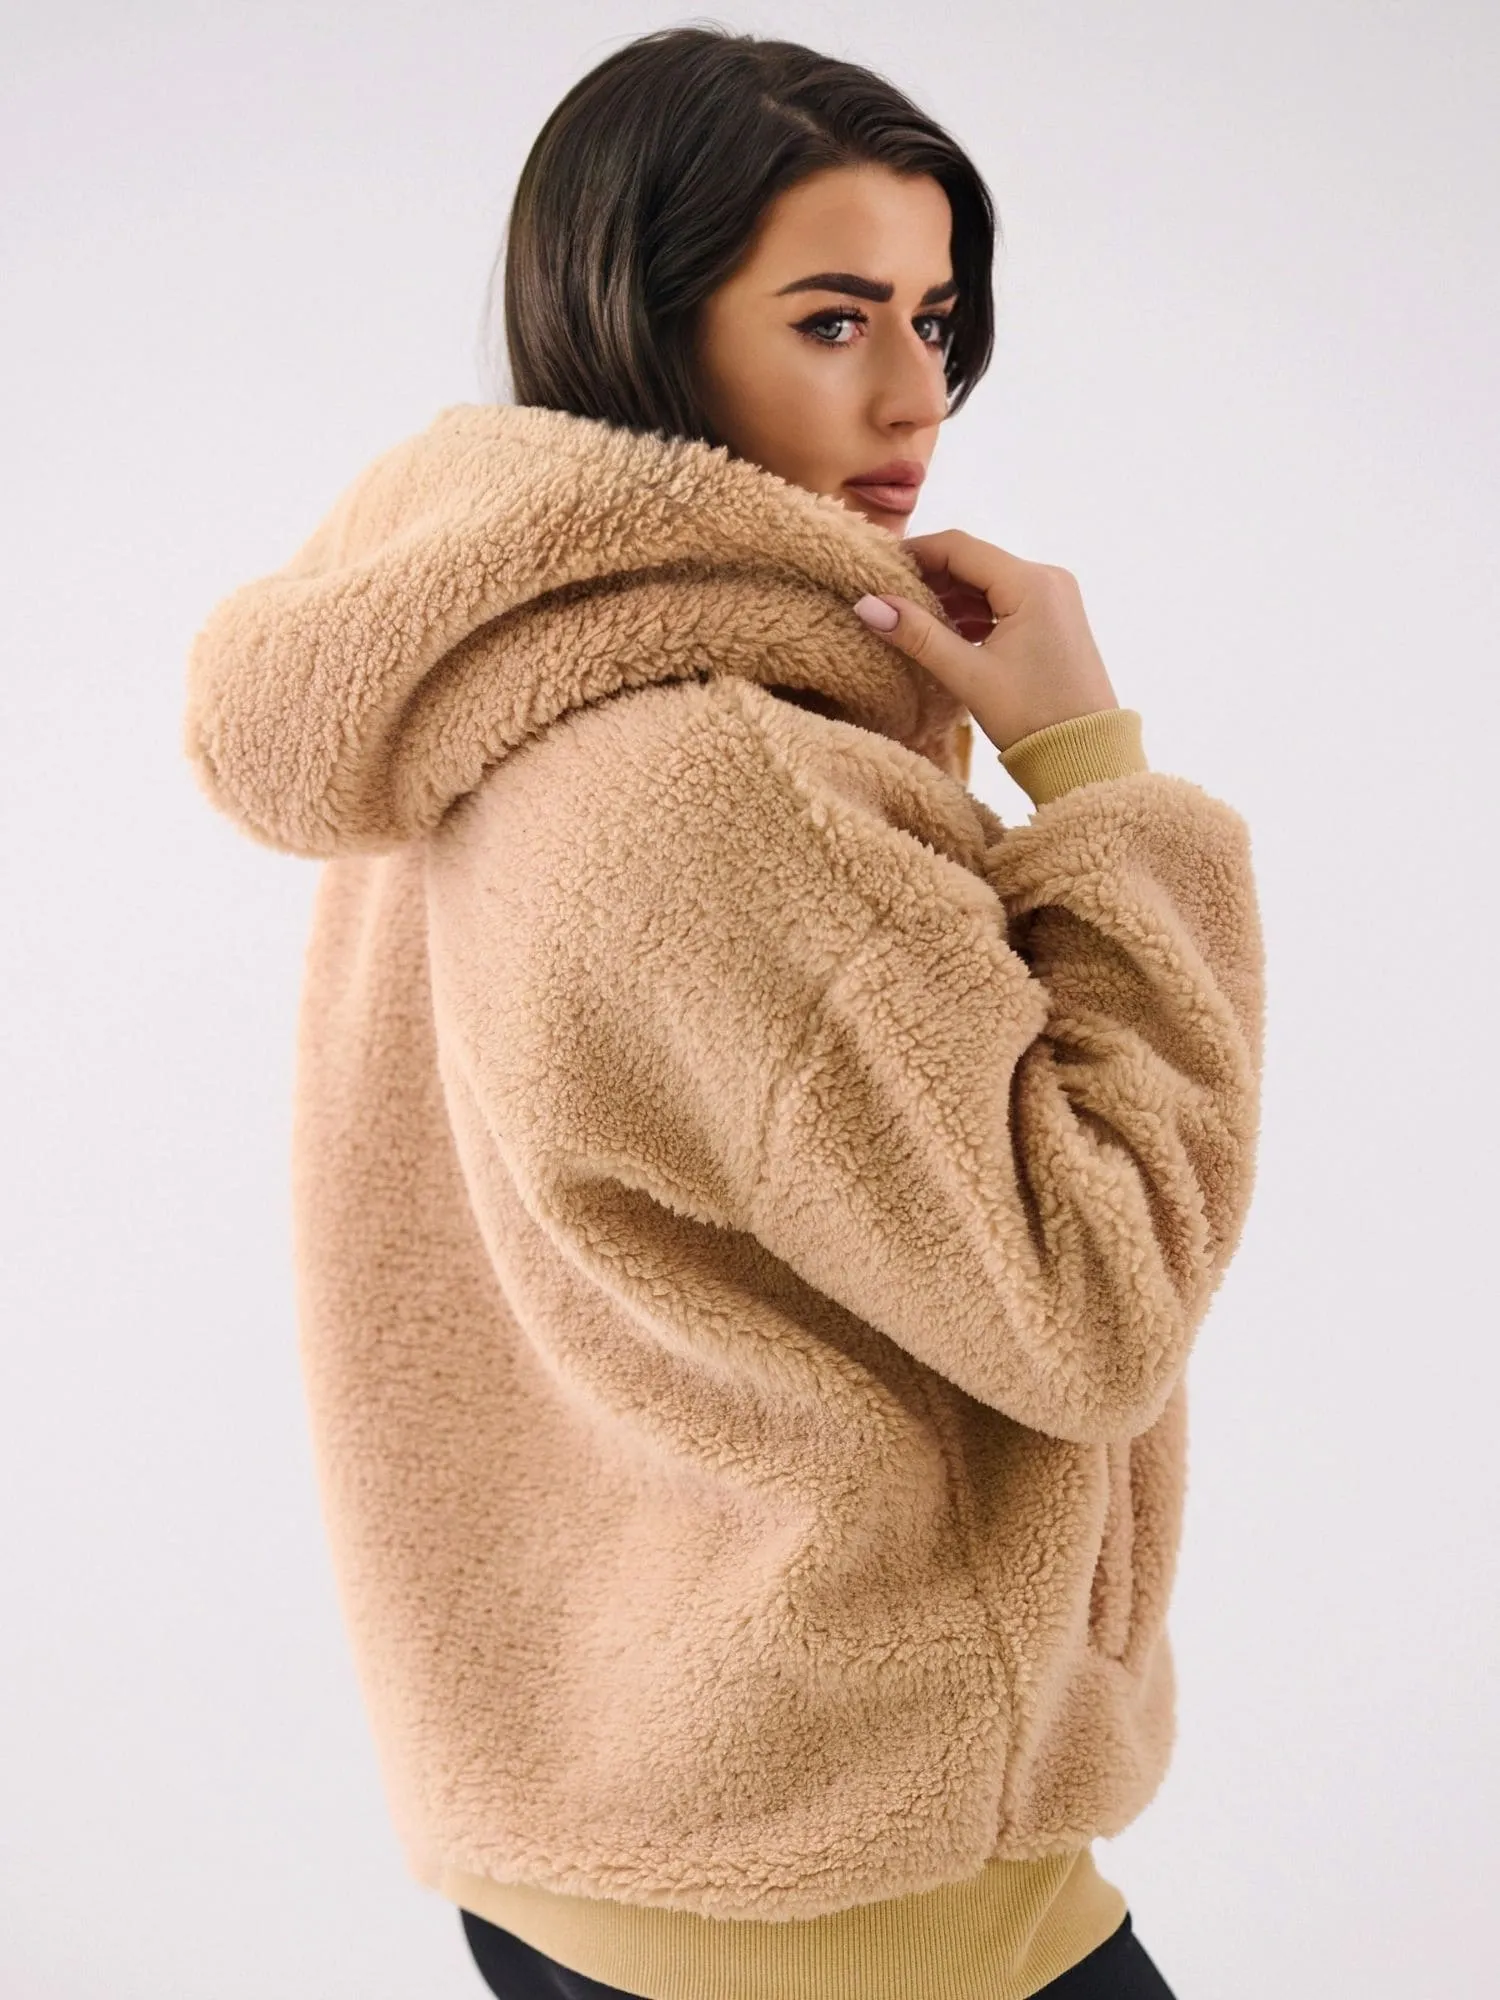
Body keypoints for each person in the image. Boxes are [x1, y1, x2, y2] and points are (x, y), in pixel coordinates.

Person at [182, 25, 1263, 2000]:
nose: (917, 394)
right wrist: (1094, 777)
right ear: (646, 327)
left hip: (583, 1841)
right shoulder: (721, 773)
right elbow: (1093, 1294)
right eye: (832, 318)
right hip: (851, 1873)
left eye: (937, 317)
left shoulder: (470, 689)